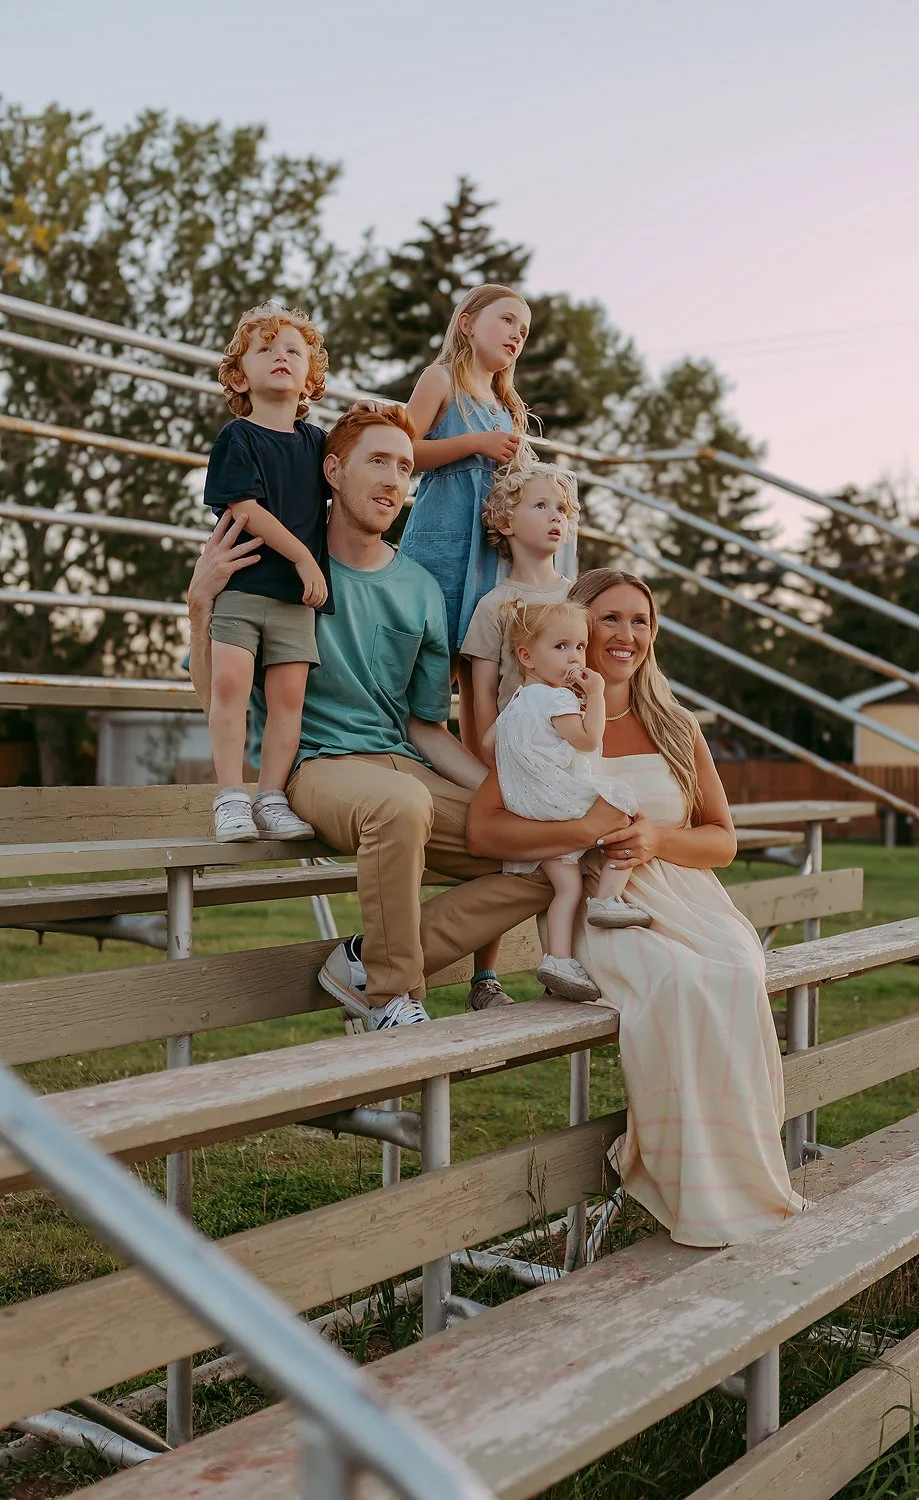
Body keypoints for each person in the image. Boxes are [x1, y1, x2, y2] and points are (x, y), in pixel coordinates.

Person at [187, 406, 618, 1028]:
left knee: (548, 847)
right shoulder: (275, 572)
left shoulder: (418, 588)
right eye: (378, 462)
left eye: (406, 467)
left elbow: (425, 728)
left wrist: (507, 796)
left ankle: (368, 960)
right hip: (318, 768)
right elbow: (214, 695)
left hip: (405, 763)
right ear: (332, 471)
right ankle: (391, 999)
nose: (394, 481)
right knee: (398, 804)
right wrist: (200, 602)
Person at [467, 569, 806, 1248]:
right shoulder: (541, 721)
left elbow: (722, 840)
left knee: (737, 971)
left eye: (641, 621)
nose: (626, 636)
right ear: (575, 630)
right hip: (601, 902)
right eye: (610, 620)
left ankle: (744, 1174)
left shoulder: (676, 725)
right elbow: (485, 831)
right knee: (676, 982)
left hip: (689, 894)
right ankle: (685, 1180)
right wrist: (579, 833)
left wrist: (657, 837)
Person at [203, 303, 333, 843]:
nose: (281, 356)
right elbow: (244, 508)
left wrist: (372, 415)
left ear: (311, 377)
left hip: (295, 602)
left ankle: (272, 796)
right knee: (230, 685)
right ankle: (231, 796)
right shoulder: (239, 437)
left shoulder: (320, 443)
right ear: (240, 375)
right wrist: (303, 555)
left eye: (293, 351)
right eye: (266, 348)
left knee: (288, 701)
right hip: (244, 585)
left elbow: (357, 464)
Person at [489, 599, 650, 1004]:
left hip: (525, 808)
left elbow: (491, 743)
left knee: (566, 887)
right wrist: (593, 695)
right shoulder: (555, 699)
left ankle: (557, 958)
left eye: (579, 647)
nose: (575, 657)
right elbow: (589, 739)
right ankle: (609, 897)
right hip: (554, 801)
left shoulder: (516, 703)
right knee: (623, 804)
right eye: (561, 647)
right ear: (527, 656)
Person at [399, 283, 531, 747]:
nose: (517, 334)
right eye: (507, 319)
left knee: (482, 661)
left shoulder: (506, 407)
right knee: (434, 652)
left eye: (524, 329)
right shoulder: (440, 380)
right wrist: (476, 444)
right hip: (443, 542)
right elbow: (405, 451)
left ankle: (480, 766)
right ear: (468, 323)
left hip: (489, 551)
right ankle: (417, 750)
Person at [460, 462, 577, 762]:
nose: (556, 516)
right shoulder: (492, 606)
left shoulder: (578, 596)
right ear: (505, 524)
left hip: (575, 746)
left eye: (562, 509)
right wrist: (489, 754)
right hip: (519, 753)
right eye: (541, 505)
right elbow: (482, 694)